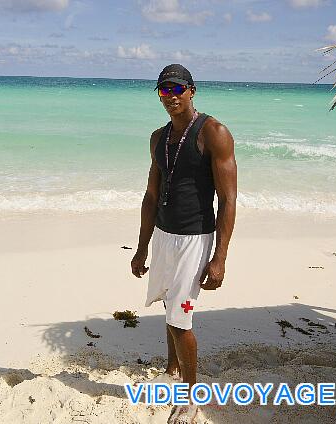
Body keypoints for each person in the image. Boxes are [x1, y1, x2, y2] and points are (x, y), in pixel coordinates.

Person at [130, 64, 237, 423]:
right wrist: (142, 246)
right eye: (163, 90)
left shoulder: (214, 133)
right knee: (168, 305)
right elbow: (150, 195)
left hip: (195, 239)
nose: (170, 96)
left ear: (192, 90)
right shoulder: (157, 138)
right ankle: (173, 370)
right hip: (163, 235)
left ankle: (190, 398)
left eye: (176, 88)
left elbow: (228, 199)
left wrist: (219, 257)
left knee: (181, 320)